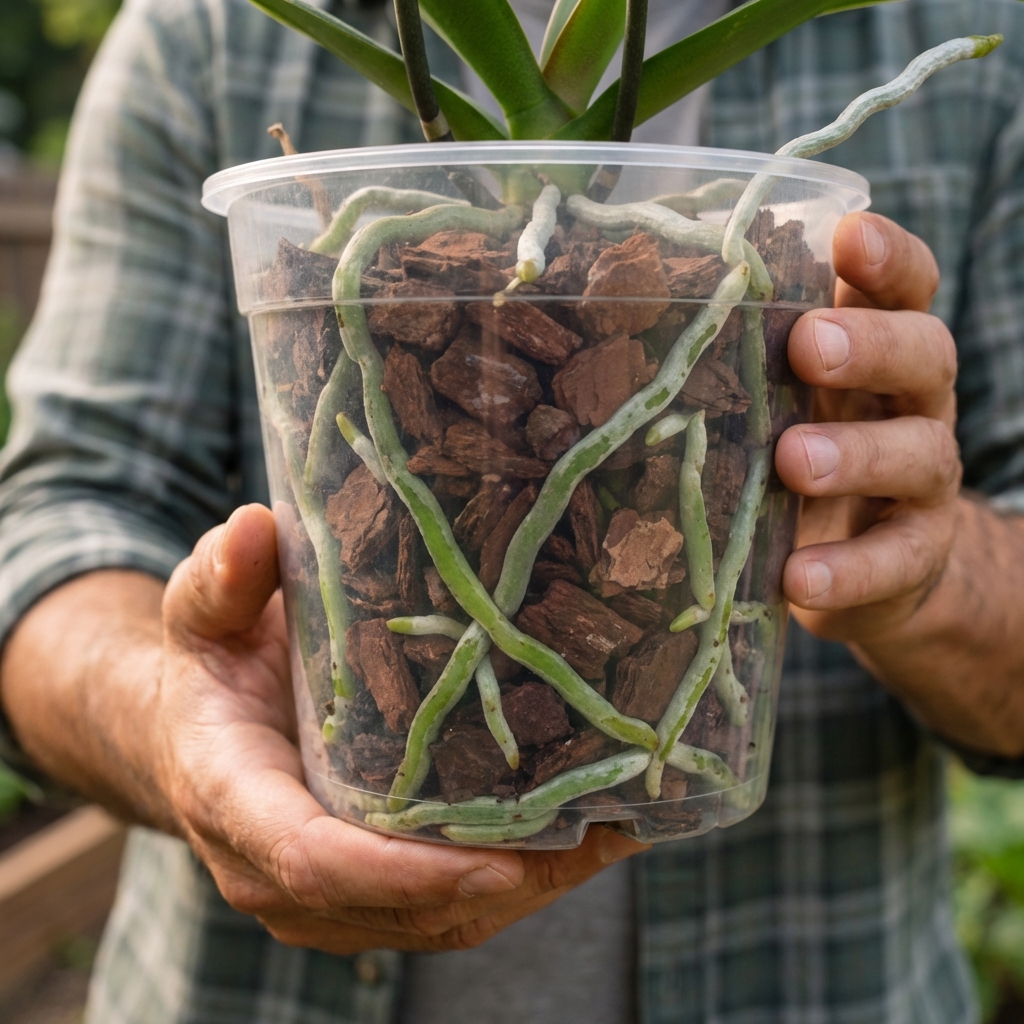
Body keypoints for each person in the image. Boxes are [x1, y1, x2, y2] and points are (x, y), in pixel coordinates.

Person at [1, 0, 1024, 1021]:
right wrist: (170, 721)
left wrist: (921, 571)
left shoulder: (979, 42)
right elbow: (55, 518)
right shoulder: (209, 28)